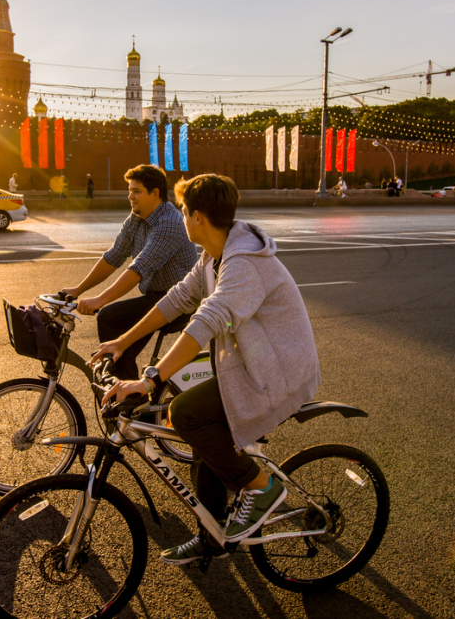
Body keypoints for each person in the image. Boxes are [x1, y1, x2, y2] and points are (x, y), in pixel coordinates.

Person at [92, 173, 321, 566]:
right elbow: (178, 299)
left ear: (197, 217)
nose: (181, 217)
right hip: (248, 365)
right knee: (201, 434)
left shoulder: (244, 264)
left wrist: (151, 379)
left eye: (183, 211)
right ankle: (212, 533)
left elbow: (205, 321)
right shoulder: (213, 254)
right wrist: (123, 341)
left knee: (185, 413)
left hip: (276, 371)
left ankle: (260, 486)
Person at [60, 164, 197, 383]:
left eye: (136, 191)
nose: (130, 196)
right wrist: (78, 290)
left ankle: (125, 396)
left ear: (155, 193)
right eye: (129, 190)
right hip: (156, 296)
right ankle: (126, 391)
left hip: (178, 301)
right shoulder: (137, 217)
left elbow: (138, 270)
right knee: (121, 351)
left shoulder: (169, 223)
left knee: (110, 317)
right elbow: (113, 256)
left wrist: (99, 300)